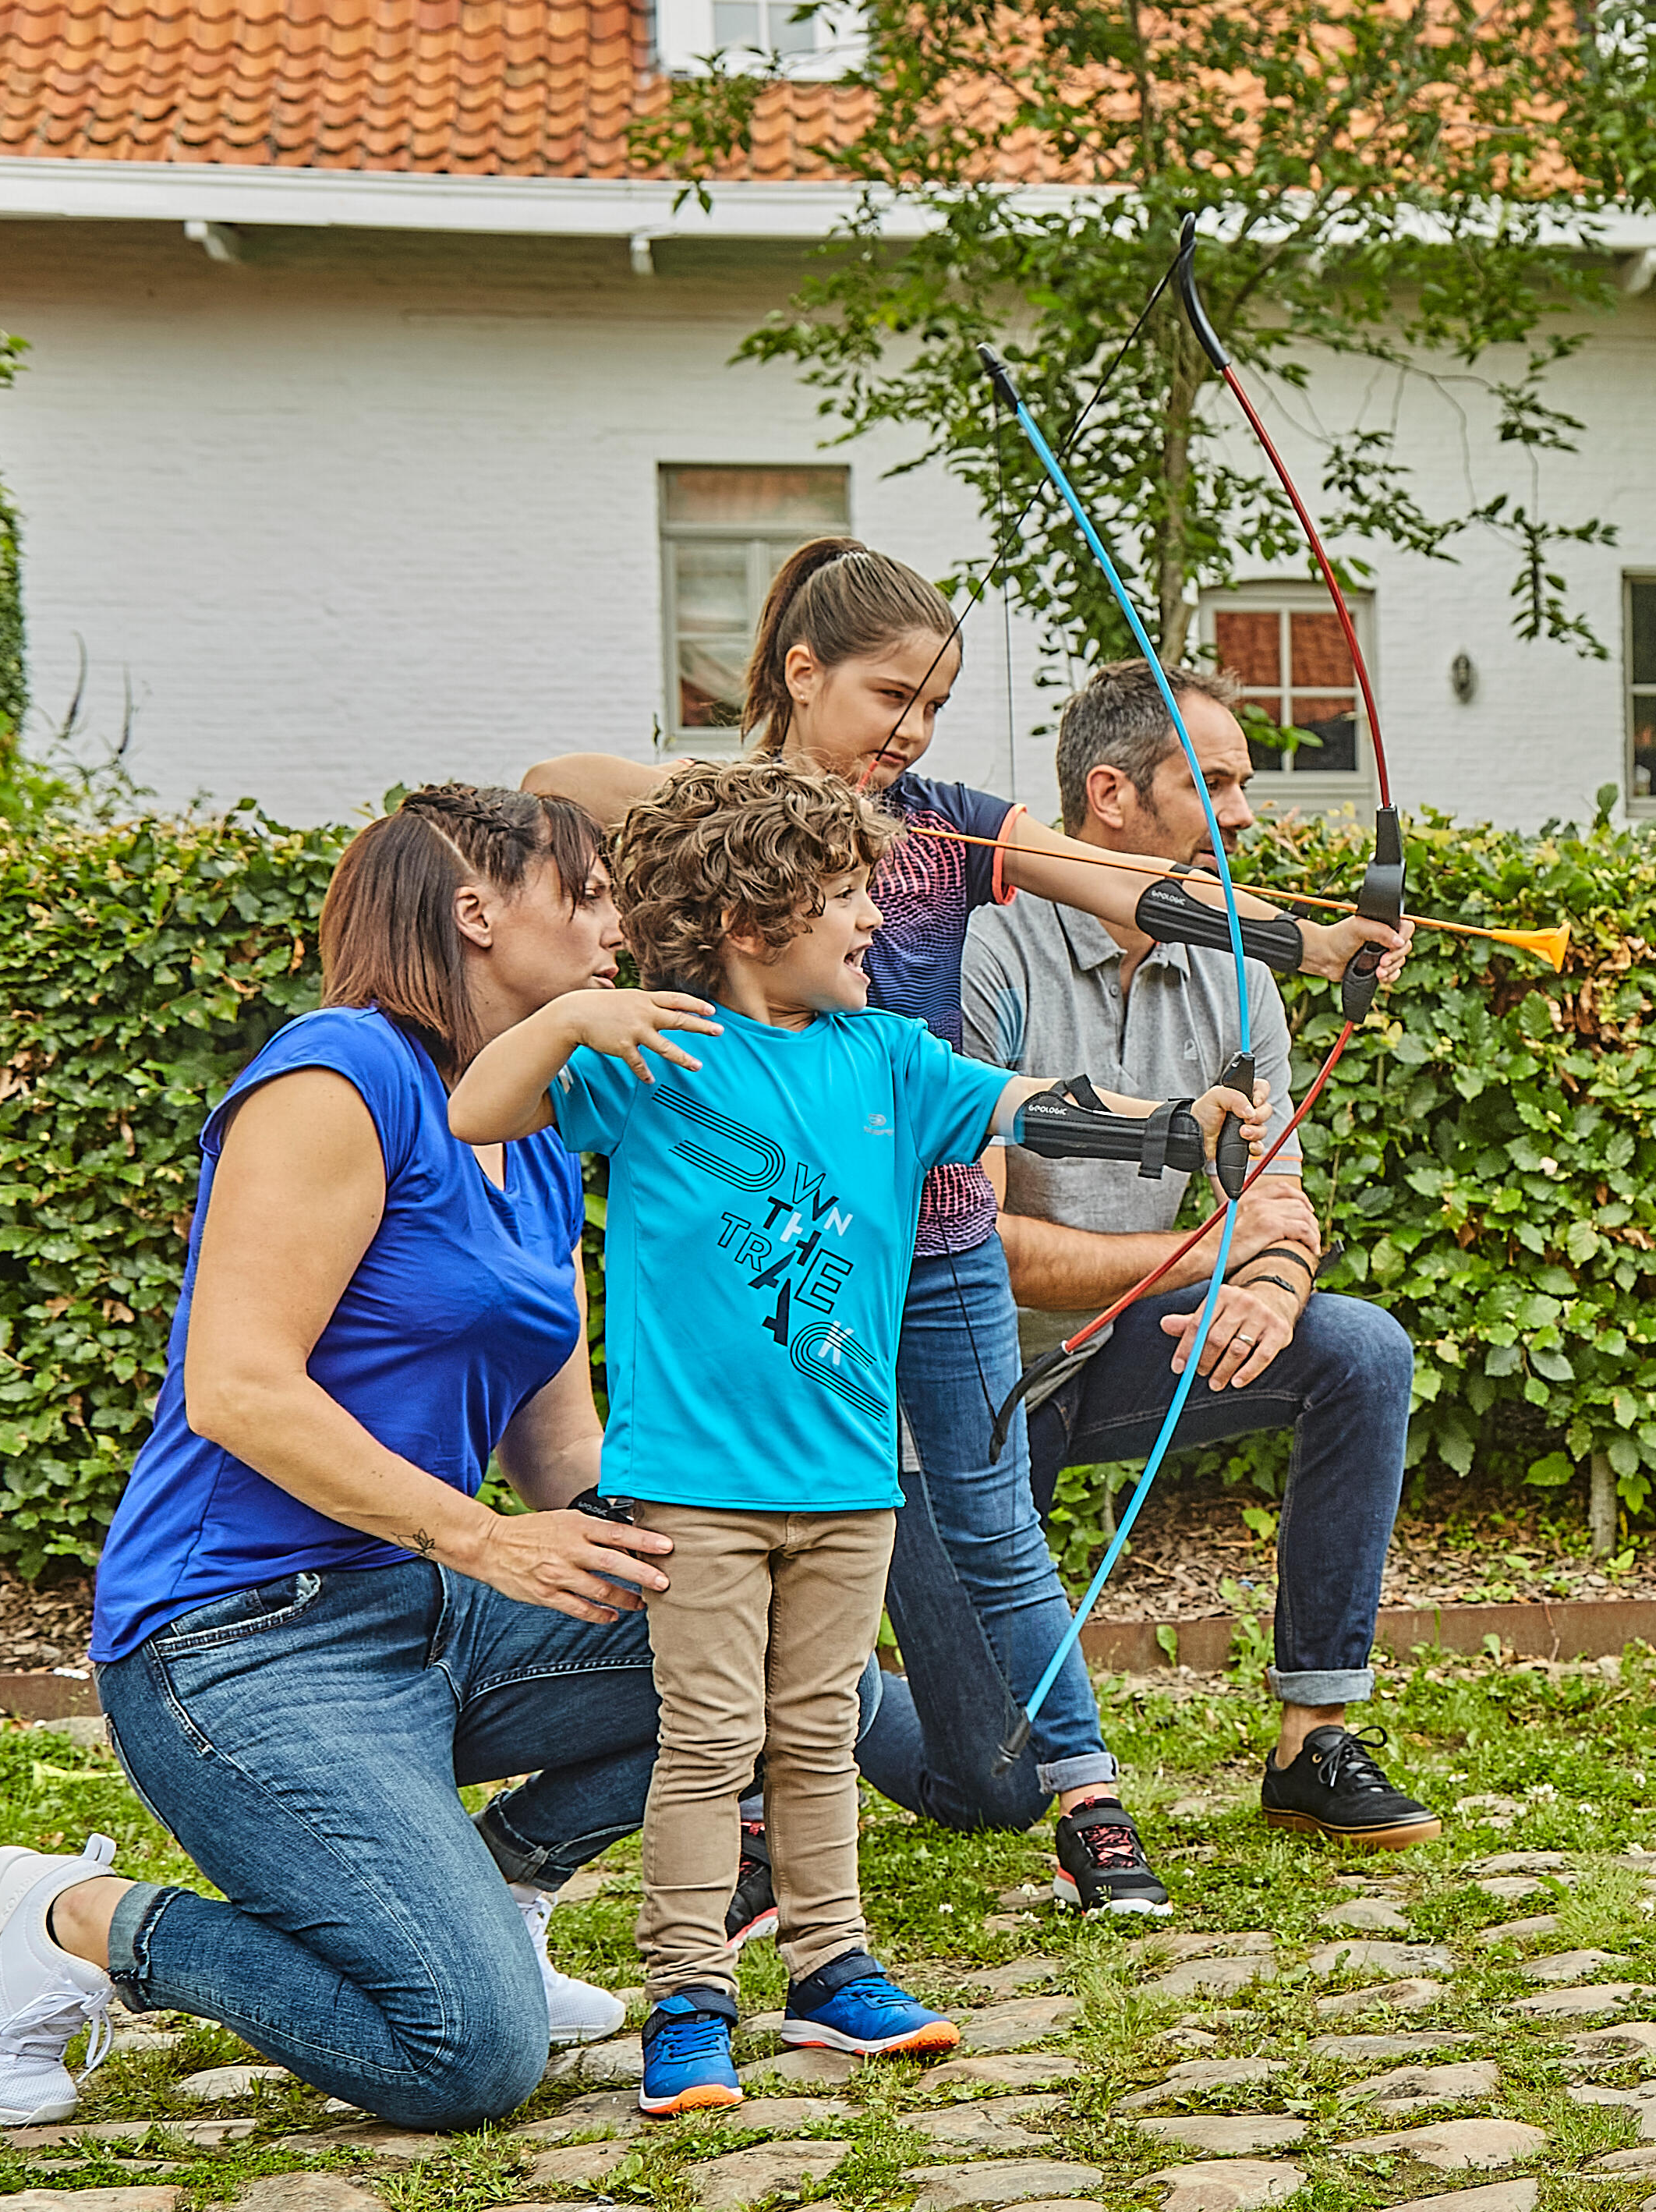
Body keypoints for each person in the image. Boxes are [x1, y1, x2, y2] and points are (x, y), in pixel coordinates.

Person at [522, 543, 1403, 1918]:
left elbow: (1137, 890)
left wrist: (1309, 946)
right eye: (889, 696)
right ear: (801, 675)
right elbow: (548, 791)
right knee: (733, 1514)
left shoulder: (959, 825)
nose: (914, 732)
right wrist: (747, 810)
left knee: (997, 1531)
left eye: (932, 704)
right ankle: (750, 1823)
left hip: (930, 1244)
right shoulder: (719, 828)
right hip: (755, 1248)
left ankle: (1089, 1802)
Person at [452, 762, 1247, 2111]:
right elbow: (481, 1105)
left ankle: (830, 1969)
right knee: (710, 1744)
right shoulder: (656, 1058)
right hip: (692, 1489)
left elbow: (1029, 1102)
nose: (878, 918)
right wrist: (583, 1013)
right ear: (760, 925)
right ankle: (688, 1998)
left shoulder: (890, 1056)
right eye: (848, 897)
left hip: (846, 1483)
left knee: (818, 1735)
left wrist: (1183, 1125)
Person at [0, 788, 678, 2134]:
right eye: (593, 893)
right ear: (477, 911)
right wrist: (485, 1540)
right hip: (236, 1640)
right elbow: (237, 1388)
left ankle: (499, 1899)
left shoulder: (539, 1130)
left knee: (765, 1656)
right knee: (466, 2059)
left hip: (419, 1611)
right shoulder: (337, 1076)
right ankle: (64, 1919)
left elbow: (559, 1442)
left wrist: (694, 1556)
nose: (620, 925)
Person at [970, 664, 1435, 1848]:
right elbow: (977, 1248)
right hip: (973, 1381)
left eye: (1243, 783)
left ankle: (1313, 1741)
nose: (1241, 814)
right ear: (1111, 795)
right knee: (987, 1774)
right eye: (1211, 783)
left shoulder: (1239, 970)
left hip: (1120, 1342)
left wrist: (1271, 1291)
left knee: (1361, 1352)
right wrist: (1203, 1256)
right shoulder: (985, 951)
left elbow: (1275, 1198)